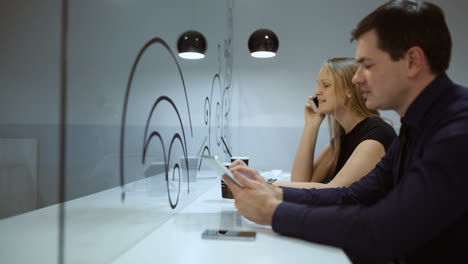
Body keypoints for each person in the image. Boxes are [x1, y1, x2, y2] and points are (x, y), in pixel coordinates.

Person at [224, 1, 468, 263]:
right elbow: (353, 195)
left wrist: (273, 212)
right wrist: (275, 193)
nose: (356, 77)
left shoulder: (458, 132)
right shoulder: (414, 126)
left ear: (412, 61)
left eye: (368, 65)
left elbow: (383, 229)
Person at [272, 57, 395, 189]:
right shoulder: (340, 141)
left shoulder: (376, 135)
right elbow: (299, 182)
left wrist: (269, 183)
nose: (317, 91)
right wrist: (311, 125)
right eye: (318, 85)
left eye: (326, 85)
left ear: (349, 90)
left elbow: (334, 191)